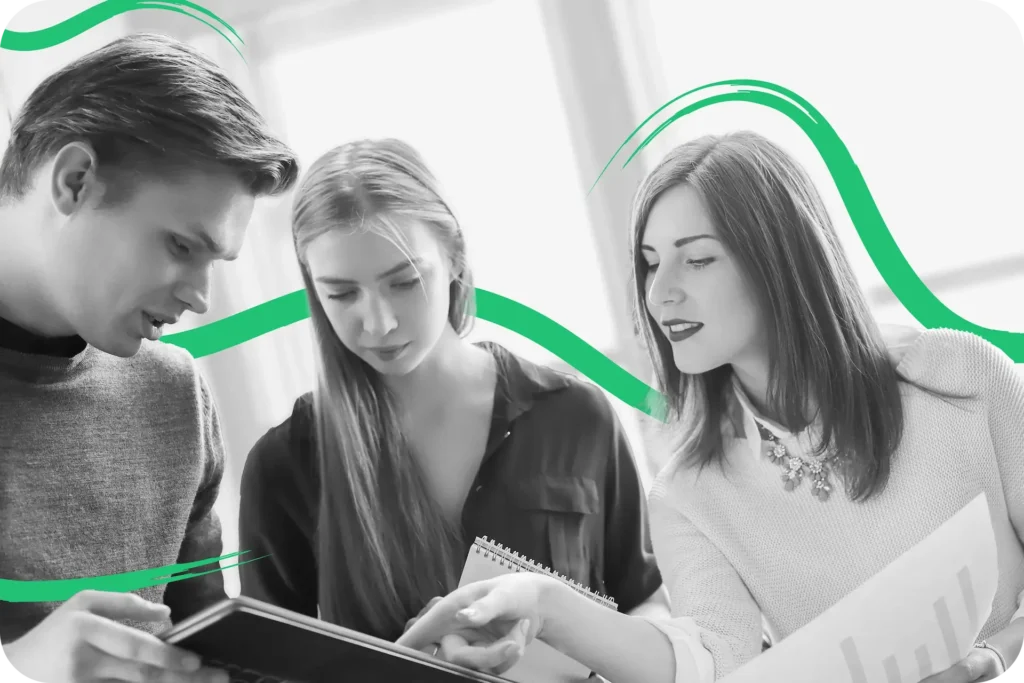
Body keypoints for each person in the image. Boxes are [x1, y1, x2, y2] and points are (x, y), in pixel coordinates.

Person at [398, 131, 1024, 682]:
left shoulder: (960, 378)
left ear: (780, 260)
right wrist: (544, 605)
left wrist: (996, 657)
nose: (661, 293)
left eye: (697, 259)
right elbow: (712, 666)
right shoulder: (690, 494)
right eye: (649, 265)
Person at [237, 138, 670, 656]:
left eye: (405, 282)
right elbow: (263, 668)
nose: (379, 322)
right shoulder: (285, 465)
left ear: (455, 259)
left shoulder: (576, 416)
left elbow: (645, 602)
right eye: (342, 293)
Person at [0, 34, 298, 682]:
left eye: (214, 261)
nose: (199, 296)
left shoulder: (173, 394)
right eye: (180, 245)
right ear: (75, 181)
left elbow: (205, 651)